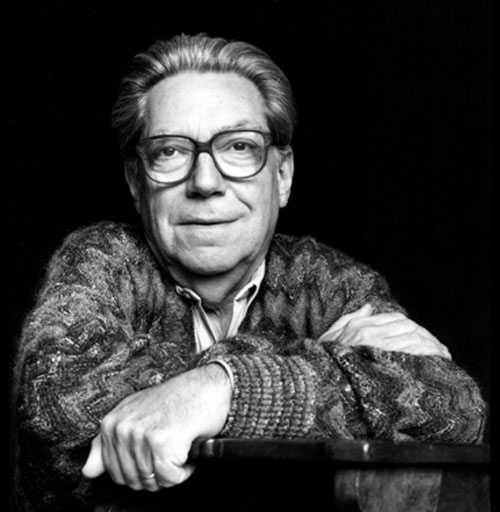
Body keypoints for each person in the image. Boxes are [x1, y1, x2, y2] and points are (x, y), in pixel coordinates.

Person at [13, 33, 487, 511]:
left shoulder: (324, 280)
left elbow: (453, 408)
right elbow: (58, 405)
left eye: (239, 147)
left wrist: (216, 391)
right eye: (170, 151)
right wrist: (310, 366)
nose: (205, 181)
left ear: (281, 176)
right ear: (136, 183)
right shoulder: (103, 260)